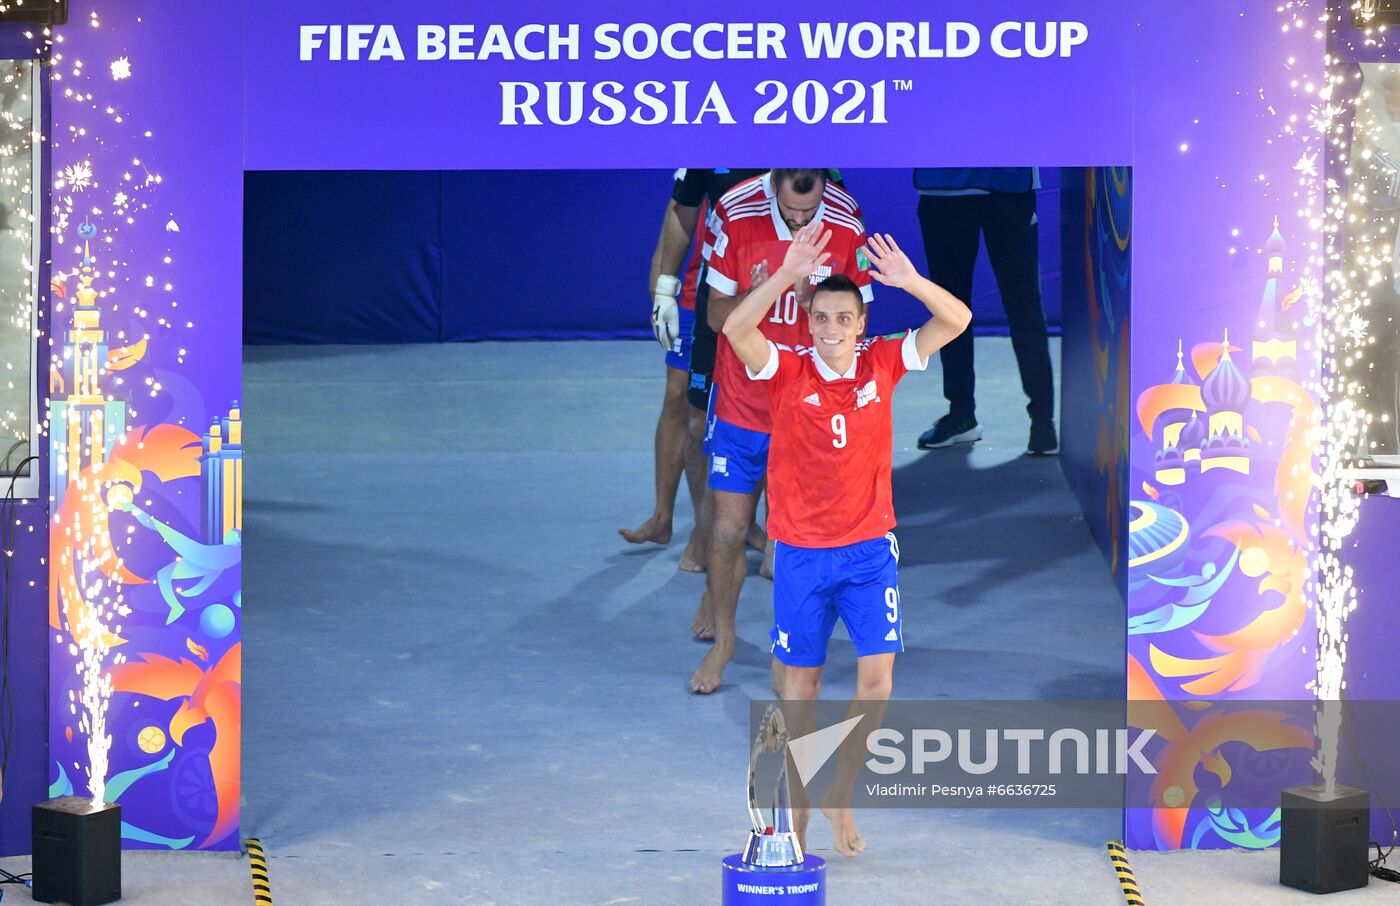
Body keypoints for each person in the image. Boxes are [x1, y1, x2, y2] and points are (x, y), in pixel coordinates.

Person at [723, 224, 970, 857]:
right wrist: (783, 274)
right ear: (808, 323)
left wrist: (910, 281)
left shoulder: (883, 361)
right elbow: (734, 331)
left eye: (843, 316)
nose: (831, 327)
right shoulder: (787, 369)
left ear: (861, 323)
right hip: (801, 554)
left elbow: (958, 319)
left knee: (877, 684)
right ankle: (798, 818)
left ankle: (843, 793)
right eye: (821, 317)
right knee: (798, 690)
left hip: (867, 552)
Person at [689, 169, 873, 694]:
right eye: (790, 212)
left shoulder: (844, 218)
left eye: (808, 211)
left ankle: (786, 648)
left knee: (794, 543)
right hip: (743, 404)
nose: (799, 220)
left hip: (808, 411)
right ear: (773, 187)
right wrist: (774, 285)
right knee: (726, 530)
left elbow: (857, 320)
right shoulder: (735, 210)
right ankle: (725, 642)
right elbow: (715, 313)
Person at [620, 169, 767, 572]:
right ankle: (668, 518)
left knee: (757, 409)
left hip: (766, 290)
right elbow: (681, 207)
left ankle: (745, 523)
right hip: (703, 289)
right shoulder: (710, 130)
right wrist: (662, 285)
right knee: (684, 401)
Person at [911, 167, 1058, 456]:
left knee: (1024, 307)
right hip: (942, 187)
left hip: (1009, 185)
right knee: (949, 310)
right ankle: (961, 414)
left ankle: (1042, 422)